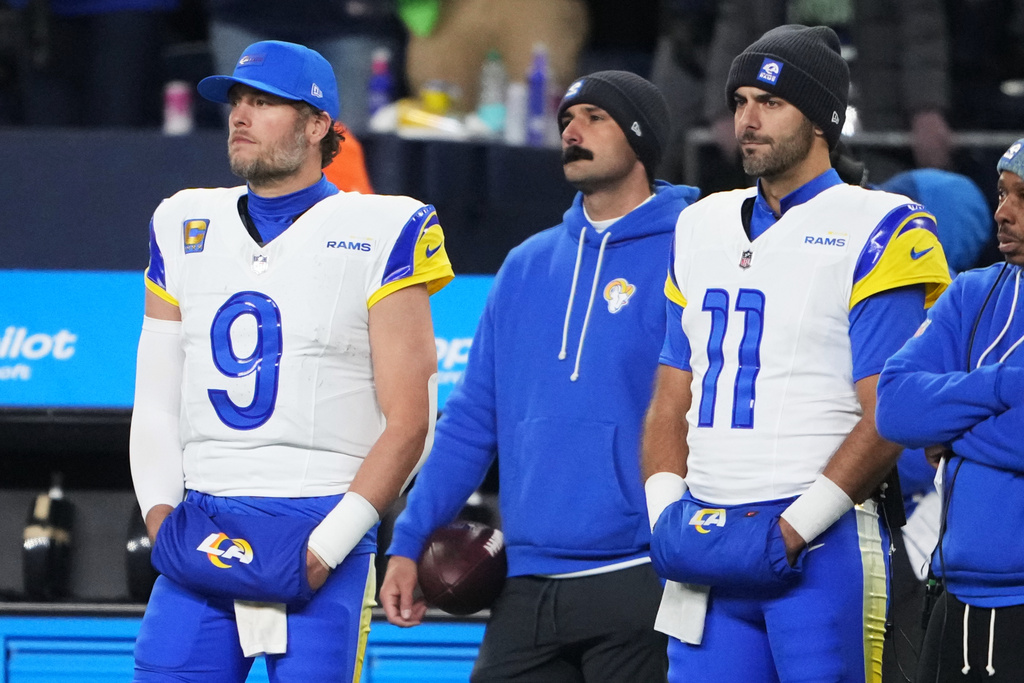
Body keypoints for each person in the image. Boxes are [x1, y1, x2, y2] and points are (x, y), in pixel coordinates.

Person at [128, 40, 453, 682]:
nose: (240, 116)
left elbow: (412, 420)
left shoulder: (384, 228)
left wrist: (326, 549)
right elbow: (156, 401)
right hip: (204, 512)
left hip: (321, 516)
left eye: (264, 102)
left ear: (317, 125)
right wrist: (163, 521)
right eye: (237, 101)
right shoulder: (183, 221)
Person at [641, 25, 951, 682]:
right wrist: (664, 513)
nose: (747, 120)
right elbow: (673, 391)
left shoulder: (879, 224)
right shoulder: (699, 225)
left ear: (821, 119)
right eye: (741, 100)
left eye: (770, 102)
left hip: (821, 543)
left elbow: (887, 410)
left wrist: (794, 528)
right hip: (706, 533)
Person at [380, 70, 700, 682]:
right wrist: (407, 542)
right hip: (523, 585)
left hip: (640, 577)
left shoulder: (692, 251)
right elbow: (471, 423)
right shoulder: (524, 265)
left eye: (594, 118)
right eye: (565, 122)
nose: (571, 131)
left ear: (640, 138)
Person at [876, 138, 1024, 682]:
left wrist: (951, 431)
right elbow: (894, 409)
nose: (1002, 214)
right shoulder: (969, 294)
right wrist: (1004, 389)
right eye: (1002, 194)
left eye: (1022, 198)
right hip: (955, 595)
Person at [700, 0, 951, 179]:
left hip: (879, 124)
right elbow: (738, 21)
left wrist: (926, 107)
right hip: (785, 109)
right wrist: (726, 107)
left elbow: (921, 26)